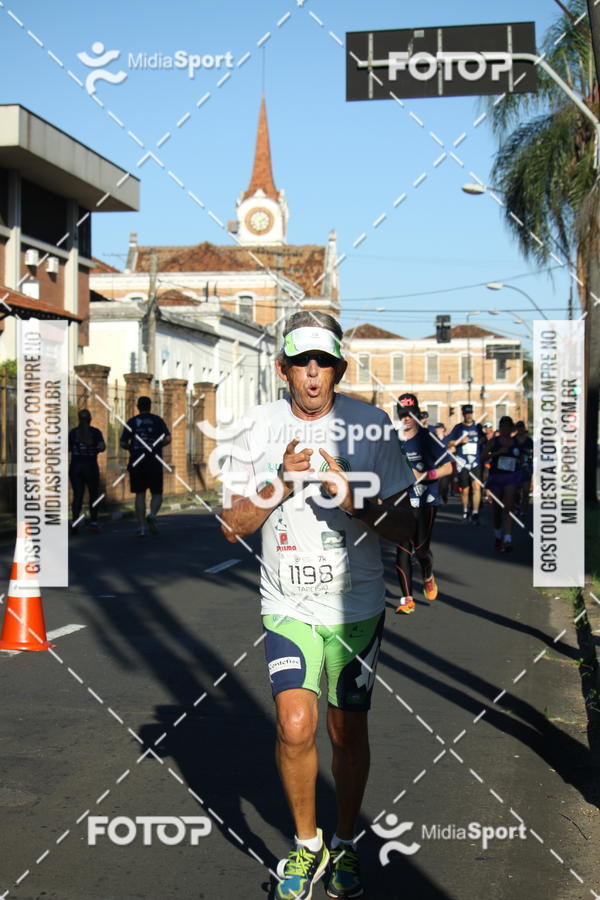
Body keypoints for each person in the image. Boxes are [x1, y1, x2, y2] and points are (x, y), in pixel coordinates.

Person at [219, 311, 416, 900]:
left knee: (346, 731)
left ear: (339, 370)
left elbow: (408, 528)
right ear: (282, 369)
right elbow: (232, 525)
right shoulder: (257, 426)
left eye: (323, 363)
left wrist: (356, 501)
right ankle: (307, 847)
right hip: (287, 603)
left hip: (355, 606)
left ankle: (346, 841)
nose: (312, 374)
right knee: (295, 724)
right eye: (301, 363)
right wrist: (280, 482)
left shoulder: (371, 426)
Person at [395, 397, 453, 614]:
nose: (406, 418)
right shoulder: (393, 440)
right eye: (403, 414)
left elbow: (449, 467)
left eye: (410, 413)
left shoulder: (428, 438)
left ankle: (427, 575)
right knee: (402, 548)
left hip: (426, 501)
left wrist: (424, 475)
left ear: (417, 414)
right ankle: (407, 600)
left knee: (420, 551)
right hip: (402, 502)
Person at [120, 396, 171, 537]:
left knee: (140, 494)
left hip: (137, 461)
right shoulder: (158, 420)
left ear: (138, 406)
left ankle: (142, 527)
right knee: (157, 493)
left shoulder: (132, 421)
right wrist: (157, 446)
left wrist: (133, 448)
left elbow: (123, 443)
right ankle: (152, 515)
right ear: (150, 406)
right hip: (154, 461)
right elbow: (168, 438)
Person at [481, 415, 523, 552]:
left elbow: (522, 457)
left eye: (507, 426)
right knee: (497, 510)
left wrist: (519, 461)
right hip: (497, 477)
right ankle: (498, 535)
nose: (505, 429)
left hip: (511, 477)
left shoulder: (516, 442)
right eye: (502, 426)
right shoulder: (494, 442)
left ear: (511, 428)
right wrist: (497, 453)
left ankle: (508, 539)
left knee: (508, 507)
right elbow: (482, 457)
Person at [69, 409, 106, 533]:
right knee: (93, 494)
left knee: (77, 495)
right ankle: (93, 522)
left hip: (75, 467)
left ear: (79, 419)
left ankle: (75, 522)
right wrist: (95, 448)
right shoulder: (95, 432)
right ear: (90, 419)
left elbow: (67, 448)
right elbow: (102, 447)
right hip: (90, 466)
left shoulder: (73, 432)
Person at [447, 404, 485, 523]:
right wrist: (460, 441)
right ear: (463, 415)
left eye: (470, 413)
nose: (468, 415)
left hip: (475, 462)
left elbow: (484, 439)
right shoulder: (458, 428)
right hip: (462, 462)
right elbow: (449, 443)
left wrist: (481, 440)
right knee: (465, 490)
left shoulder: (477, 427)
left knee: (476, 487)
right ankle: (465, 510)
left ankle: (475, 512)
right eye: (466, 414)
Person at [514, 421, 534, 515]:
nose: (520, 429)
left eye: (521, 427)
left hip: (527, 467)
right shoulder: (513, 440)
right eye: (518, 428)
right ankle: (517, 506)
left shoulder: (529, 441)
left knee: (526, 490)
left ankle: (523, 510)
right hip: (516, 467)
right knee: (516, 490)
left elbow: (534, 453)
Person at [433, 423, 452, 503]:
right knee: (436, 484)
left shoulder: (448, 439)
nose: (437, 430)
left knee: (444, 484)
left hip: (445, 464)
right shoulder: (433, 439)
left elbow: (453, 447)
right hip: (436, 464)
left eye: (439, 428)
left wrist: (452, 449)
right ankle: (437, 501)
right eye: (436, 428)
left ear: (443, 429)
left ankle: (444, 495)